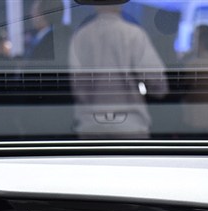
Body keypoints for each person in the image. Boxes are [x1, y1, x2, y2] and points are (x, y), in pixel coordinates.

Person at [68, 5, 168, 139]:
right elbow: (158, 85)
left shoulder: (80, 36)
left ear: (95, 4)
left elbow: (77, 88)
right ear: (121, 3)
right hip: (131, 125)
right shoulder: (134, 34)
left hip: (90, 126)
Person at [180, 25, 208, 135]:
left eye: (194, 38)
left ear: (202, 41)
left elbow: (184, 91)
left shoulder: (193, 65)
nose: (192, 42)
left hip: (194, 119)